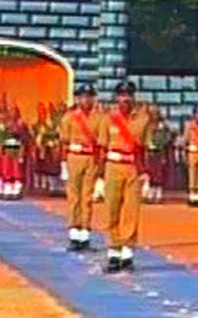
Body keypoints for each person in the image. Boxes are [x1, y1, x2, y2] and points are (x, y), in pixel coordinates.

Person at [97, 81, 155, 272]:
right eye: (122, 95)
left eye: (128, 95)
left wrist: (146, 173)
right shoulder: (108, 119)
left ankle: (127, 252)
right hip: (113, 166)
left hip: (132, 168)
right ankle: (114, 251)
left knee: (131, 210)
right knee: (112, 209)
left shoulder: (143, 119)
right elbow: (102, 148)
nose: (125, 99)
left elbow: (145, 149)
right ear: (116, 98)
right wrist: (99, 175)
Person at [60, 84, 101, 251]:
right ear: (77, 99)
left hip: (91, 158)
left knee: (87, 197)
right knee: (74, 196)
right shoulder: (69, 117)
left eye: (89, 97)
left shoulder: (99, 118)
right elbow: (64, 140)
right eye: (83, 97)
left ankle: (85, 234)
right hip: (74, 157)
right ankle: (73, 234)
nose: (86, 100)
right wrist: (63, 162)